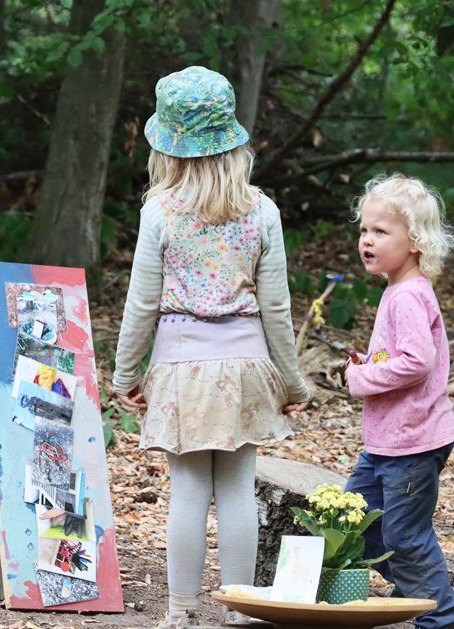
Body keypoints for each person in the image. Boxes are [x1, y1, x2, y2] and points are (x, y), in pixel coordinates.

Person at [112, 66, 310, 629]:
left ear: (168, 148)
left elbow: (141, 304)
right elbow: (276, 309)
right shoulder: (262, 211)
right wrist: (292, 384)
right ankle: (243, 609)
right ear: (232, 143)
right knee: (239, 490)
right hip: (247, 364)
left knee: (189, 490)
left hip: (180, 364)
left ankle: (180, 613)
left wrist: (127, 374)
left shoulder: (160, 212)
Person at [344, 174, 454, 629]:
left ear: (415, 241)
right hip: (386, 443)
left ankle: (444, 621)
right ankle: (420, 594)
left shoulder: (409, 296)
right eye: (364, 230)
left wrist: (361, 378)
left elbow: (417, 362)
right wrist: (373, 361)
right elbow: (401, 358)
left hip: (413, 443)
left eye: (381, 231)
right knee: (356, 525)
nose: (367, 241)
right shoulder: (397, 291)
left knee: (406, 537)